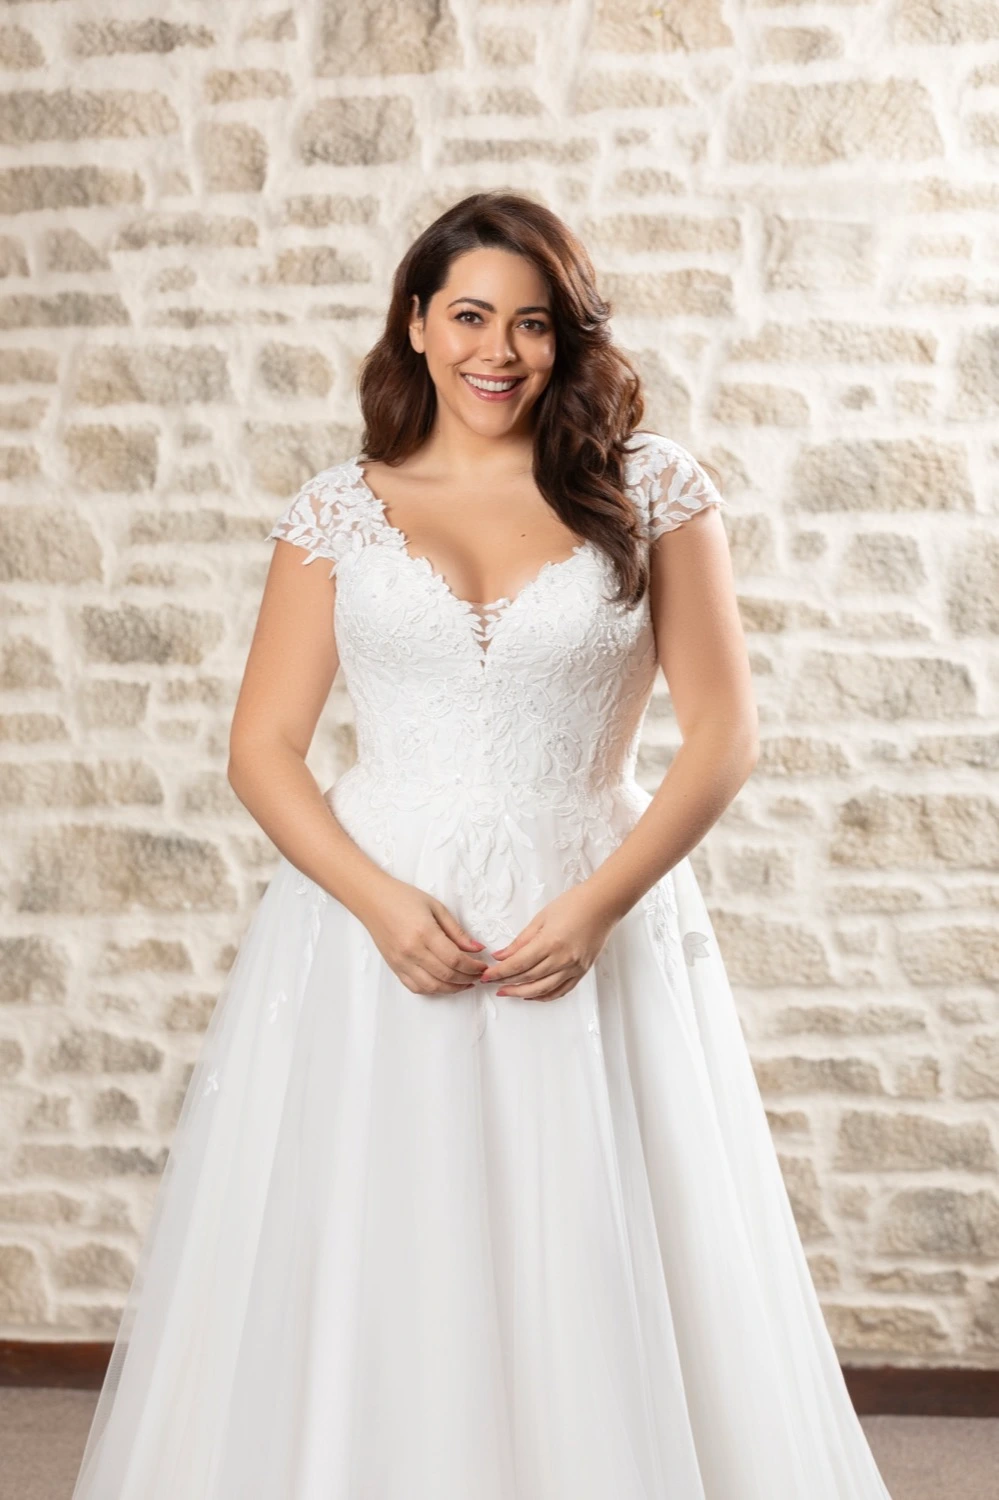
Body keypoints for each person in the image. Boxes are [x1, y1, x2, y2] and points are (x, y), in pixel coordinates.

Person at [70, 190, 895, 1499]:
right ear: (415, 323)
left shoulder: (650, 489)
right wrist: (376, 903)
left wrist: (601, 904)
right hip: (372, 922)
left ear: (567, 339)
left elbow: (724, 735)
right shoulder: (338, 510)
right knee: (382, 1228)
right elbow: (264, 747)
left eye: (531, 323)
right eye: (468, 316)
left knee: (590, 1231)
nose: (496, 351)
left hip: (584, 901)